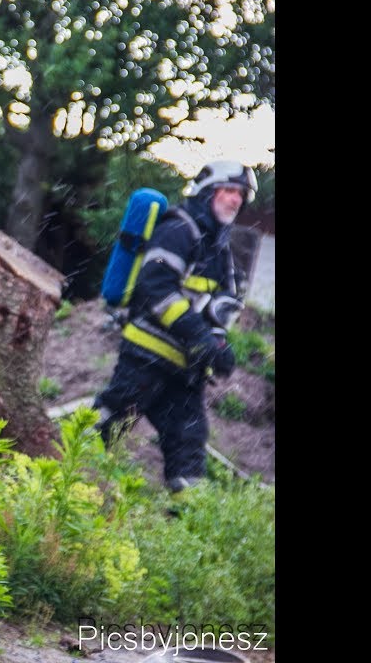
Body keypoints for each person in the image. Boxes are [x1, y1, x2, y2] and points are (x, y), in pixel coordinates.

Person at [93, 160, 258, 493]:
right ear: (206, 192)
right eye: (228, 190)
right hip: (145, 358)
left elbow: (220, 307)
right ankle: (52, 482)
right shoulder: (178, 229)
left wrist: (218, 346)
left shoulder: (221, 251)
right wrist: (196, 334)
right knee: (106, 429)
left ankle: (185, 524)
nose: (235, 199)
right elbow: (156, 289)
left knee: (188, 447)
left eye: (240, 194)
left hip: (185, 372)